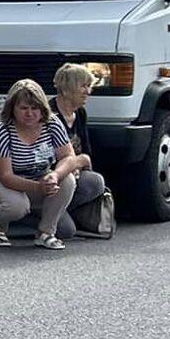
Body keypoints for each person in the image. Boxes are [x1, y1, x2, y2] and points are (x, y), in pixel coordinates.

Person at [0, 79, 86, 250]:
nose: (29, 113)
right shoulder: (1, 130)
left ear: (42, 108)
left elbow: (68, 156)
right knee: (17, 206)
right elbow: (6, 176)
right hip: (1, 182)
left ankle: (45, 232)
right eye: (23, 108)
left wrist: (55, 175)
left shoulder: (52, 123)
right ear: (12, 109)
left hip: (39, 178)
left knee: (68, 180)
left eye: (34, 108)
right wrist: (39, 187)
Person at [50, 62, 112, 238]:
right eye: (83, 86)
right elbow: (48, 158)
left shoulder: (81, 114)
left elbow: (87, 154)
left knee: (96, 181)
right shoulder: (49, 115)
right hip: (52, 179)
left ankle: (61, 212)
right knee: (66, 231)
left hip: (74, 175)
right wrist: (77, 162)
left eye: (89, 86)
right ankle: (26, 219)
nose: (88, 92)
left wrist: (80, 162)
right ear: (68, 88)